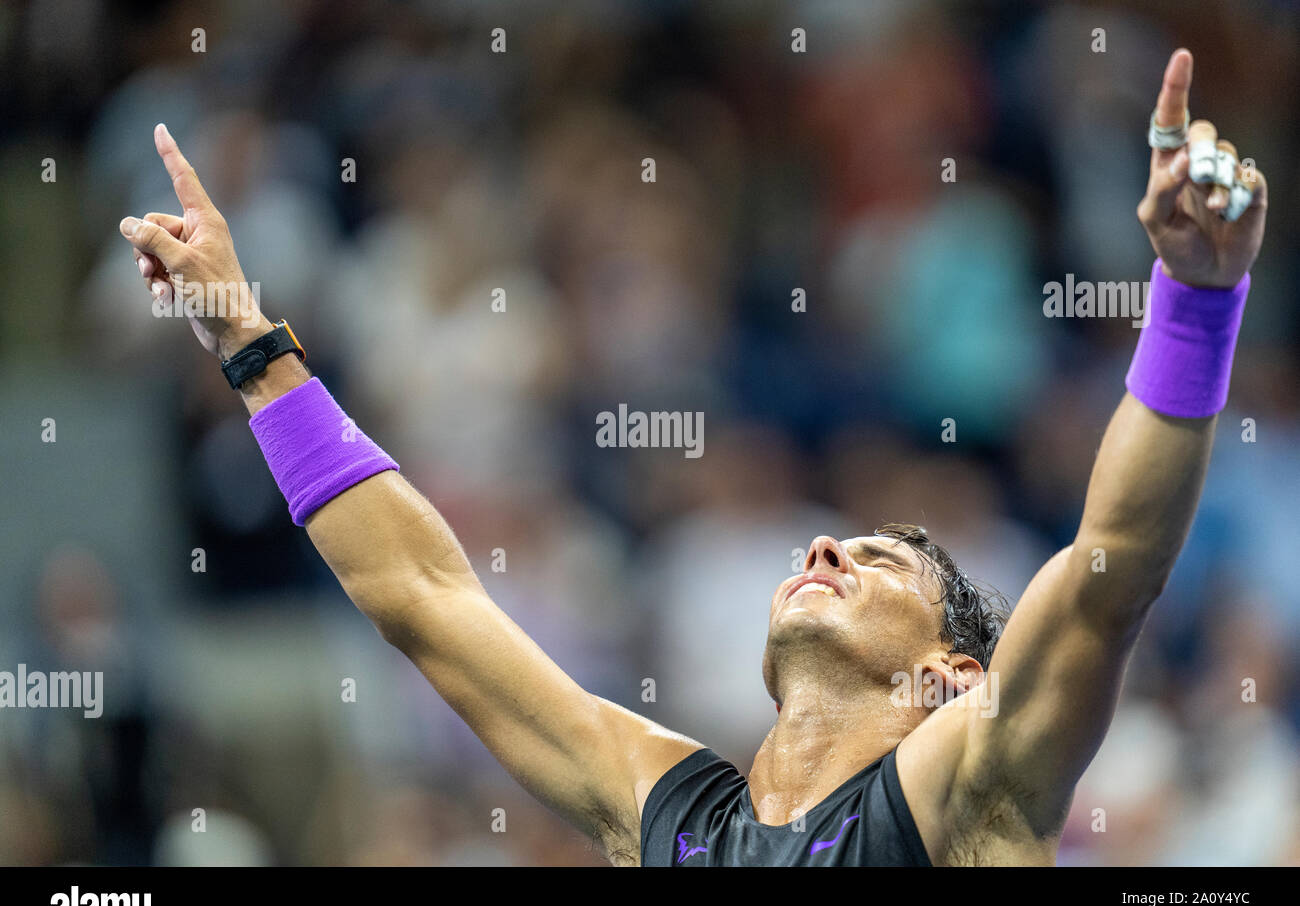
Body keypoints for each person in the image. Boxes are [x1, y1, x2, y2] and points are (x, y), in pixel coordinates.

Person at [119, 48, 1266, 865]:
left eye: (879, 562)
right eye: (840, 539)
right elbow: (424, 595)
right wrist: (248, 341)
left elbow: (1113, 565)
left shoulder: (968, 791)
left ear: (948, 679)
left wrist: (1197, 300)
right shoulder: (663, 810)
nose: (822, 543)